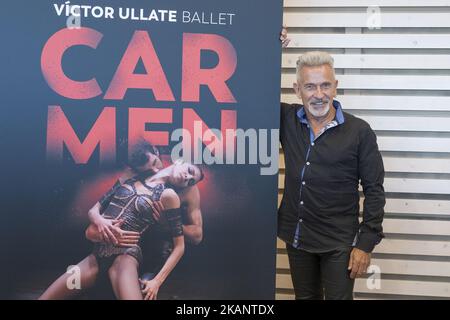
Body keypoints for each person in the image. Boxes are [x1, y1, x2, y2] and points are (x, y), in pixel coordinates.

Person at [278, 49, 385, 300]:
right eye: (310, 86)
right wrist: (271, 39)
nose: (318, 94)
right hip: (297, 236)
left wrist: (364, 244)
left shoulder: (360, 132)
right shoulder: (286, 119)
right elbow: (255, 85)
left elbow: (374, 190)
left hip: (339, 243)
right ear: (297, 89)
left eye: (325, 85)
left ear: (335, 87)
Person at [39, 160, 204, 300]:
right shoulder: (131, 176)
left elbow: (180, 246)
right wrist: (99, 222)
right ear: (179, 162)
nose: (187, 178)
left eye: (190, 181)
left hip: (125, 257)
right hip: (96, 256)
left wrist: (157, 282)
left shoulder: (169, 196)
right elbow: (94, 210)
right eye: (189, 171)